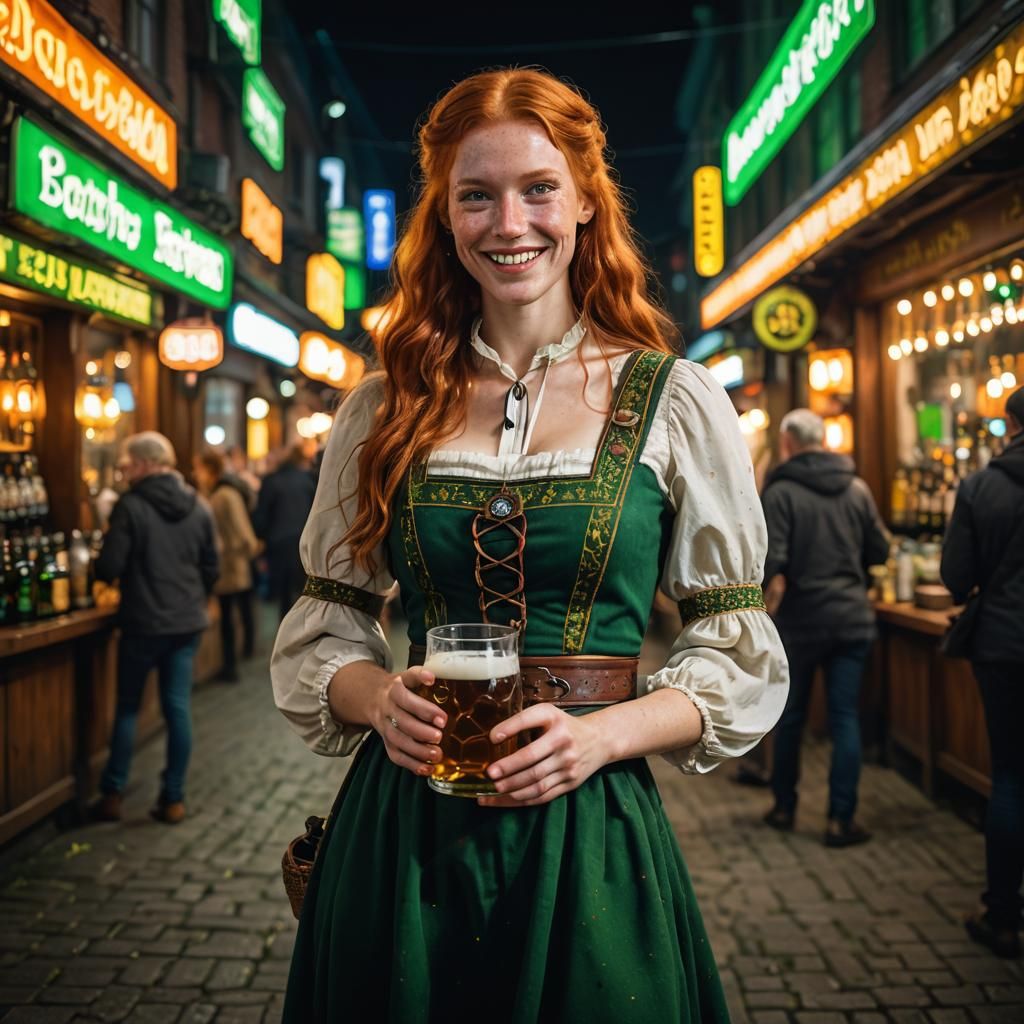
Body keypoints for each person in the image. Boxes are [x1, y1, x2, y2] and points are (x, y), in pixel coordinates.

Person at [271, 68, 788, 1022]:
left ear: (587, 200)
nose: (510, 223)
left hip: (589, 825)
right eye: (477, 195)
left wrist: (600, 737)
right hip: (407, 829)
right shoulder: (383, 406)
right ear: (446, 217)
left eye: (538, 188)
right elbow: (327, 628)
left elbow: (735, 652)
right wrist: (379, 697)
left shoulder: (672, 400)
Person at [760, 409, 890, 848]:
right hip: (853, 618)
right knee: (845, 718)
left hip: (801, 620)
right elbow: (880, 549)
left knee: (791, 715)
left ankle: (784, 806)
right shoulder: (857, 488)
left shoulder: (780, 494)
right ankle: (840, 819)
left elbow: (769, 560)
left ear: (788, 444)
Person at [93, 432, 219, 824]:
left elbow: (109, 566)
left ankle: (112, 795)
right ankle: (174, 799)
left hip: (143, 623)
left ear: (146, 464)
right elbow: (211, 568)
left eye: (128, 465)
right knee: (177, 709)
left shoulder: (129, 506)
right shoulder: (198, 505)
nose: (125, 472)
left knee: (128, 709)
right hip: (185, 623)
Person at [941, 386, 1024, 958]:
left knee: (1012, 777)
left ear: (1009, 420)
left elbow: (954, 576)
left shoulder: (981, 487)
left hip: (1004, 644)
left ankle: (1002, 916)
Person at [194, 451, 260, 681]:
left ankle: (232, 664)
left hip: (231, 564)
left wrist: (250, 550)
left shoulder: (223, 495)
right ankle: (237, 657)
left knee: (231, 616)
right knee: (238, 611)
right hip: (232, 563)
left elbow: (241, 527)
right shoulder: (218, 493)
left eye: (199, 468)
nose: (196, 473)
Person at [253, 444, 316, 620]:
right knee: (303, 592)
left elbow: (261, 516)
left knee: (283, 595)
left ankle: (285, 631)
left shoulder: (271, 481)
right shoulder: (307, 480)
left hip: (278, 543)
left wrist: (261, 538)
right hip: (303, 542)